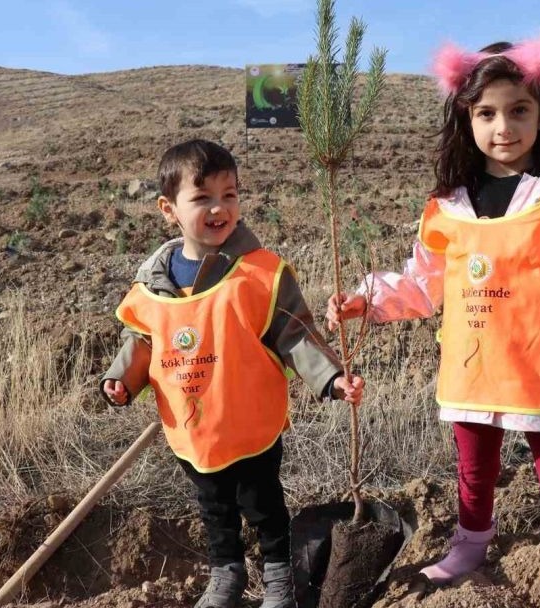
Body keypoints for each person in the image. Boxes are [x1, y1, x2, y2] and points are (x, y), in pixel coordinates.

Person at [326, 38, 540, 608]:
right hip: (474, 370)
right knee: (474, 474)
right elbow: (424, 284)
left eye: (518, 109)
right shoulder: (447, 207)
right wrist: (366, 301)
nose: (504, 126)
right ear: (465, 118)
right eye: (487, 113)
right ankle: (471, 546)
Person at [102, 139, 364, 608]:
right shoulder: (153, 285)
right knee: (214, 507)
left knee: (263, 505)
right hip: (192, 426)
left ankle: (278, 577)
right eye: (202, 198)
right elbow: (143, 342)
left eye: (230, 194)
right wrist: (122, 379)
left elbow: (294, 332)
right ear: (169, 209)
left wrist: (332, 377)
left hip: (250, 423)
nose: (220, 207)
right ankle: (225, 574)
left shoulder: (259, 274)